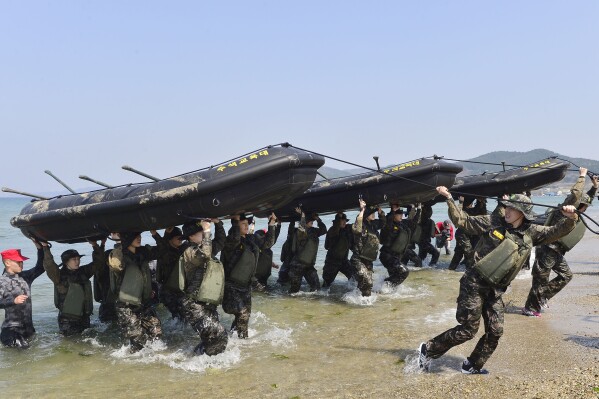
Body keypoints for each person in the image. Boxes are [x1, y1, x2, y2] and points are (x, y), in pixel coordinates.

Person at [418, 187, 578, 374]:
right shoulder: (493, 221)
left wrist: (571, 218)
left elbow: (556, 231)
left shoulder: (532, 232)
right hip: (474, 285)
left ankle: (472, 365)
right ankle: (428, 349)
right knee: (468, 330)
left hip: (495, 291)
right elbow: (464, 221)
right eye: (506, 207)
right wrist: (449, 198)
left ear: (523, 213)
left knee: (495, 331)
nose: (506, 211)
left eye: (512, 208)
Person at [523, 168, 597, 317]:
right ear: (579, 205)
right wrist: (582, 176)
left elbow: (585, 198)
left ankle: (541, 298)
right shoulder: (565, 209)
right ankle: (530, 307)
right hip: (547, 248)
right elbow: (576, 194)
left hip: (557, 251)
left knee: (566, 276)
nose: (586, 208)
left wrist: (594, 187)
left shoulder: (577, 211)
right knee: (540, 279)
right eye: (585, 206)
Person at [178, 219, 228, 355]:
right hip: (194, 305)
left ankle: (200, 359)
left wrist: (218, 223)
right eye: (199, 232)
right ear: (191, 237)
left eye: (202, 231)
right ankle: (207, 363)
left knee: (211, 338)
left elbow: (221, 241)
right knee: (219, 334)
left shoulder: (206, 248)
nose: (204, 233)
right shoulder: (189, 251)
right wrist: (206, 231)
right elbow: (205, 255)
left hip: (207, 303)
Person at [221, 214, 276, 338]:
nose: (247, 226)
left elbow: (268, 243)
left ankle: (236, 338)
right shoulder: (230, 241)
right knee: (243, 313)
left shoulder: (250, 239)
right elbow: (235, 238)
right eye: (243, 224)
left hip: (246, 286)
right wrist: (235, 221)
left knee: (244, 316)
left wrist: (271, 223)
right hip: (231, 286)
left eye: (247, 223)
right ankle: (241, 341)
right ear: (236, 226)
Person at [108, 232, 162, 352]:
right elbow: (115, 266)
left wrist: (155, 234)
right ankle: (133, 361)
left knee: (156, 331)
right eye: (135, 236)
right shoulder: (120, 256)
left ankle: (152, 361)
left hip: (143, 303)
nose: (139, 238)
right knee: (138, 338)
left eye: (140, 235)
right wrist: (121, 243)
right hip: (126, 306)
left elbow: (162, 250)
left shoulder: (143, 253)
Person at [42, 239, 106, 336]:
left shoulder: (83, 272)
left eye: (78, 259)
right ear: (66, 262)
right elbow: (49, 265)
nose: (77, 262)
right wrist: (46, 248)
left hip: (84, 318)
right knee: (72, 342)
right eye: (74, 259)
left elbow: (99, 262)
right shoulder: (58, 276)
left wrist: (96, 245)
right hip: (67, 320)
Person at [0, 240, 44, 348]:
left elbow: (41, 267)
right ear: (7, 263)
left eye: (22, 261)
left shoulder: (26, 276)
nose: (21, 264)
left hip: (28, 329)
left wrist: (40, 249)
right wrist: (13, 301)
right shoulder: (2, 281)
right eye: (18, 261)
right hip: (11, 330)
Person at [379, 203, 421, 286]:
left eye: (401, 214)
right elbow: (388, 221)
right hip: (387, 256)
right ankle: (383, 286)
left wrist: (419, 209)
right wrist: (392, 211)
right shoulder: (389, 225)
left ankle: (385, 290)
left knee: (395, 276)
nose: (401, 216)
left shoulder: (402, 224)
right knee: (404, 272)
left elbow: (413, 223)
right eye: (399, 214)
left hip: (396, 256)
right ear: (394, 215)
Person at [288, 208, 327, 294]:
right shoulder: (300, 232)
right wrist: (302, 215)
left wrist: (318, 219)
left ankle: (311, 305)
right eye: (310, 221)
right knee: (294, 292)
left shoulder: (314, 231)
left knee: (316, 288)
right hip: (297, 266)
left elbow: (324, 230)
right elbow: (302, 228)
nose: (312, 222)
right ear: (305, 222)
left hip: (308, 266)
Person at [351, 199, 384, 297]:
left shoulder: (373, 225)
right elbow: (357, 226)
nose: (373, 214)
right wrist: (362, 210)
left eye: (374, 213)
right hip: (358, 259)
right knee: (367, 281)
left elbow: (383, 223)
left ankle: (363, 302)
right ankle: (360, 301)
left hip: (368, 260)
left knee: (367, 285)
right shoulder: (361, 226)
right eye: (371, 213)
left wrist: (380, 212)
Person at [448, 198, 487, 271]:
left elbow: (482, 211)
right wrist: (460, 203)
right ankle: (454, 269)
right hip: (462, 234)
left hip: (472, 234)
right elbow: (457, 215)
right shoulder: (463, 211)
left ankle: (467, 269)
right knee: (461, 253)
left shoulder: (475, 211)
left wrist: (481, 201)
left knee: (471, 254)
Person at [322, 212, 354, 287]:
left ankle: (354, 294)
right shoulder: (332, 230)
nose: (344, 222)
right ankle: (322, 297)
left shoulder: (347, 230)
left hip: (344, 261)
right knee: (326, 284)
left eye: (345, 221)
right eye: (342, 220)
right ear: (337, 222)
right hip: (332, 262)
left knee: (354, 277)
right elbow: (326, 246)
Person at [94, 232, 120, 323]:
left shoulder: (116, 270)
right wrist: (101, 245)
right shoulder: (102, 273)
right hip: (108, 307)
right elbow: (98, 261)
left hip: (108, 306)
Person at [253, 213, 282, 289]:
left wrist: (278, 224)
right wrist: (272, 222)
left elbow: (273, 238)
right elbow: (271, 239)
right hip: (258, 278)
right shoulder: (259, 248)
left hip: (264, 276)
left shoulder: (266, 249)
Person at [277, 221, 297, 285]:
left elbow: (282, 259)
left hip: (284, 269)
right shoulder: (298, 243)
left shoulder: (285, 243)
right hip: (292, 269)